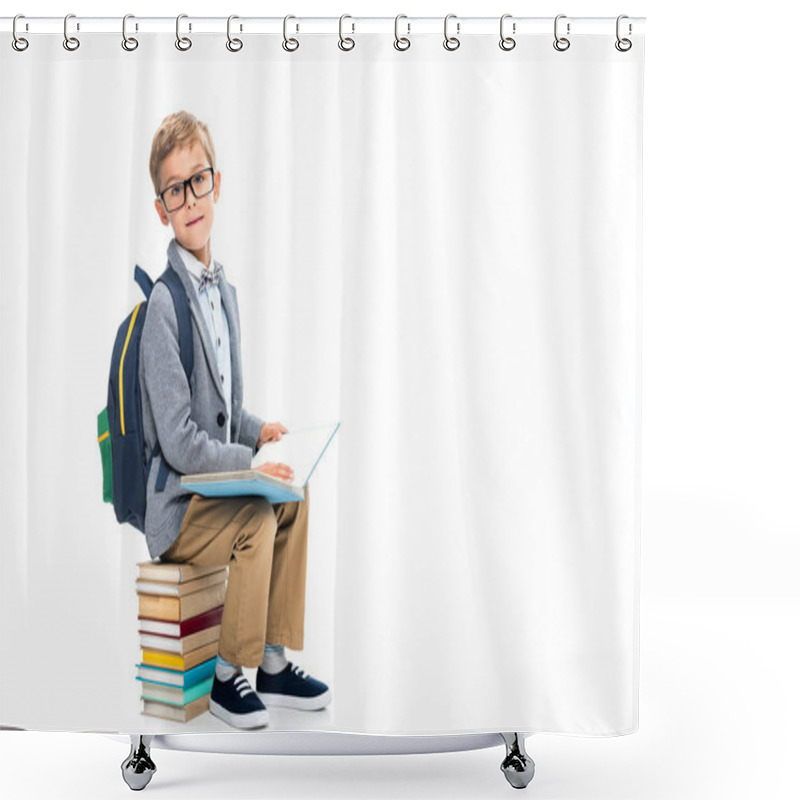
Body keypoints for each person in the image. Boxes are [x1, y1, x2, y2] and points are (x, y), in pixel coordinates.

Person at [139, 110, 330, 729]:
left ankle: (271, 661)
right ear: (161, 207)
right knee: (255, 516)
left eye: (198, 181)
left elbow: (221, 410)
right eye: (175, 189)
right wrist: (249, 463)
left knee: (291, 497)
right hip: (179, 508)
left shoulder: (225, 293)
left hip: (211, 485)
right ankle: (227, 676)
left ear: (216, 184)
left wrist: (257, 431)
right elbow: (181, 439)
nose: (190, 198)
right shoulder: (163, 309)